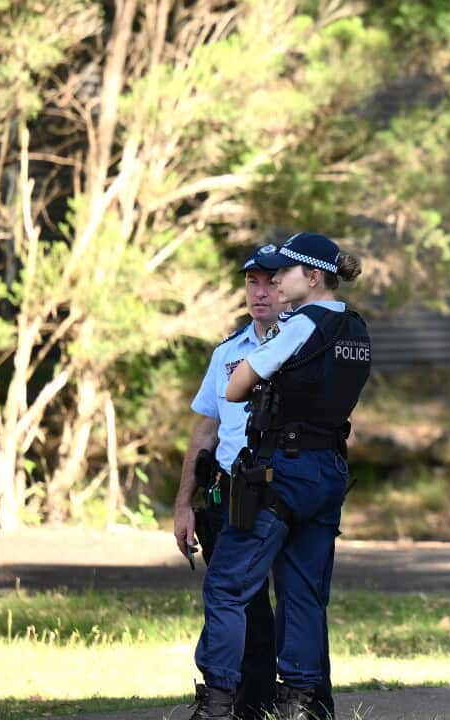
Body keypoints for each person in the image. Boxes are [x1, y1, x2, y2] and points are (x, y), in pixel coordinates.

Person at [189, 233, 370, 720]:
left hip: (281, 472)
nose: (277, 282)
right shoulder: (356, 328)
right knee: (304, 591)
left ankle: (220, 703)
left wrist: (257, 374)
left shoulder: (299, 326)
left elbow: (235, 387)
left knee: (227, 586)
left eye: (285, 273)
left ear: (312, 277)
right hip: (328, 471)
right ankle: (300, 704)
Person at [173, 245, 282, 719]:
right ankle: (248, 703)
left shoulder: (302, 347)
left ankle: (274, 698)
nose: (260, 293)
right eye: (252, 282)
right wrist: (183, 504)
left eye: (270, 282)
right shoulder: (227, 352)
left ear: (292, 285)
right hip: (228, 492)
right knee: (241, 600)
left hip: (282, 492)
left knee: (267, 597)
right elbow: (205, 430)